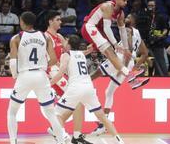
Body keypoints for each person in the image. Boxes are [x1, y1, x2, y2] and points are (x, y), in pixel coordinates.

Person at [50, 34, 125, 144]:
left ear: (69, 44)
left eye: (66, 42)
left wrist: (49, 83)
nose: (64, 43)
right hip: (89, 87)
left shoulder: (66, 55)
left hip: (75, 87)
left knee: (56, 115)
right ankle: (119, 141)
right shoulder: (81, 54)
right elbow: (89, 49)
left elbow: (61, 73)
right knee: (102, 117)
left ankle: (63, 138)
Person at [7, 11, 66, 144]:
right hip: (41, 75)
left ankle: (13, 142)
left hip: (25, 75)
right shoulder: (45, 37)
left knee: (12, 112)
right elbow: (54, 59)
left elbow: (12, 62)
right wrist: (42, 66)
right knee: (51, 114)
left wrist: (15, 76)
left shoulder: (17, 38)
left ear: (22, 22)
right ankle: (62, 141)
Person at [90, 14, 149, 135]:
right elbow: (145, 53)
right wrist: (134, 66)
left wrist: (122, 66)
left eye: (129, 17)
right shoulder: (138, 33)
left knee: (92, 76)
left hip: (121, 58)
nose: (125, 17)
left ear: (134, 20)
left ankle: (132, 77)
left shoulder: (127, 29)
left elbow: (130, 48)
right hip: (130, 62)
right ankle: (104, 125)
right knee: (109, 92)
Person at [44, 10, 92, 144]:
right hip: (53, 72)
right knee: (77, 100)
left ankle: (64, 131)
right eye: (58, 19)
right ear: (50, 21)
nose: (60, 22)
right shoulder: (45, 37)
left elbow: (71, 53)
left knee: (76, 102)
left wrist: (86, 51)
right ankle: (74, 135)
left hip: (61, 72)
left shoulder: (59, 36)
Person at [81, 0, 142, 80]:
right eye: (123, 0)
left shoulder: (121, 14)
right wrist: (115, 44)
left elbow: (122, 31)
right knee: (110, 51)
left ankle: (130, 78)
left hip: (99, 31)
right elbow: (107, 28)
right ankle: (129, 75)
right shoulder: (108, 6)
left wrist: (126, 49)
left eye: (127, 1)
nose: (126, 3)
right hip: (90, 27)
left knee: (112, 54)